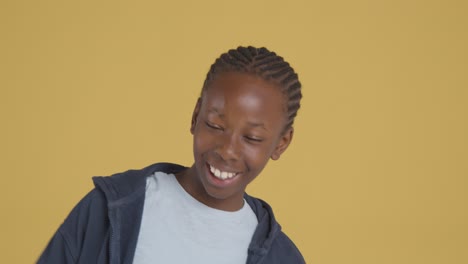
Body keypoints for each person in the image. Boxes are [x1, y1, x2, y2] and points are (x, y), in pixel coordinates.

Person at [37, 46, 305, 263]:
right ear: (195, 116)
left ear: (281, 143)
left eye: (252, 138)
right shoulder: (110, 207)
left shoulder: (282, 258)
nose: (227, 150)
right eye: (215, 125)